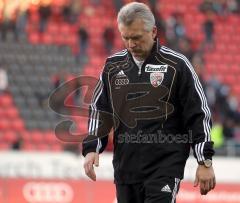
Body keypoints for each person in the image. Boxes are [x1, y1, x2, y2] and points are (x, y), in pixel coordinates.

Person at [82, 2, 216, 203]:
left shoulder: (177, 65)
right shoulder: (112, 66)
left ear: (153, 32)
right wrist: (92, 147)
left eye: (136, 38)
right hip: (126, 168)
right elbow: (100, 110)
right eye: (125, 37)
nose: (131, 44)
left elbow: (198, 114)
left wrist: (204, 160)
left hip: (164, 167)